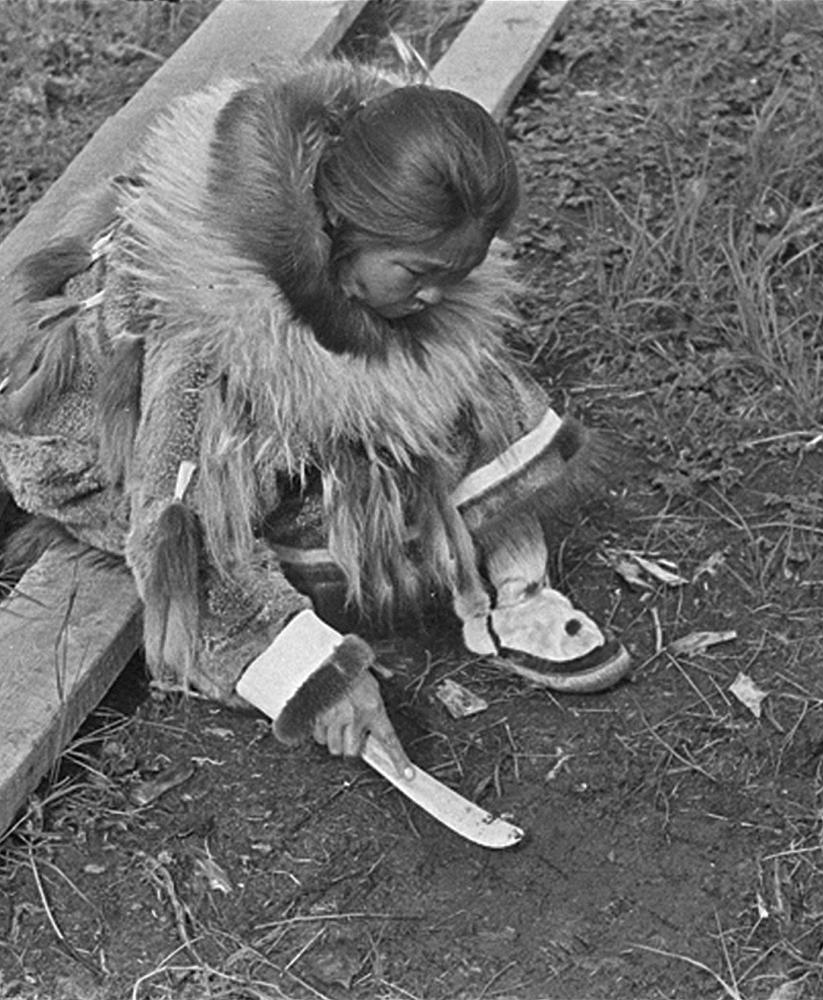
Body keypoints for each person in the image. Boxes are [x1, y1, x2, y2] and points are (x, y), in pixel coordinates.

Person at [0, 58, 632, 779]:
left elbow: (453, 361)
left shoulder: (397, 269)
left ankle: (509, 584)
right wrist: (313, 676)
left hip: (263, 393)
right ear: (338, 227)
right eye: (419, 273)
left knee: (471, 388)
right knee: (289, 506)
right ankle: (346, 596)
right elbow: (177, 525)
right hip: (110, 449)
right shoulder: (216, 330)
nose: (434, 296)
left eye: (457, 274)